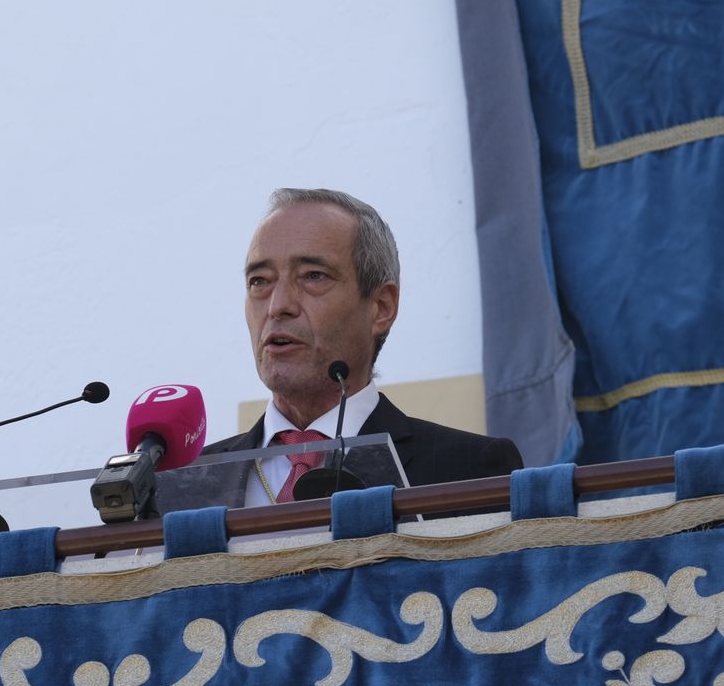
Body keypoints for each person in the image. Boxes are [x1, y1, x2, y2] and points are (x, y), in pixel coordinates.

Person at [201, 188, 523, 506]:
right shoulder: (186, 481)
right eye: (259, 281)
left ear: (381, 307)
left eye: (313, 276)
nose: (277, 306)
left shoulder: (469, 469)